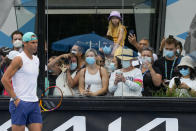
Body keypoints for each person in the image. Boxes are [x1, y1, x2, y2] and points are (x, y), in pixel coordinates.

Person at [1, 32, 42, 131]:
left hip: (34, 103)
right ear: (25, 43)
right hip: (20, 103)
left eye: (36, 42)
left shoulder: (36, 59)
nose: (35, 45)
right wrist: (15, 99)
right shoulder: (19, 59)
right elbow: (4, 79)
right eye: (32, 43)